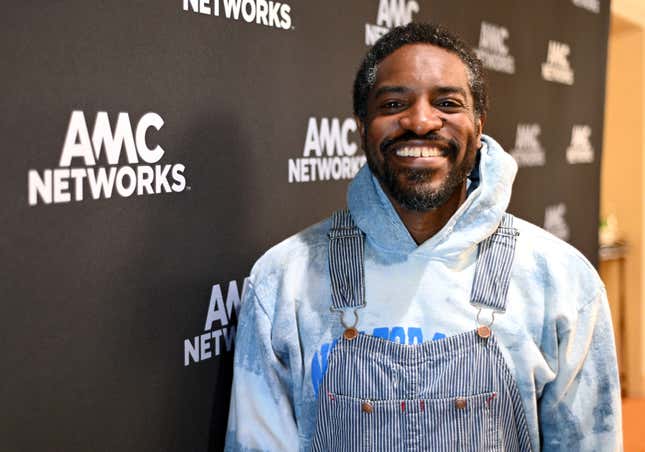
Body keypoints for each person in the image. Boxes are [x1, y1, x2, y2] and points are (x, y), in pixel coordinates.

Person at [225, 23, 622, 451]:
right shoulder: (284, 280)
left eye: (447, 103)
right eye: (394, 103)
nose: (419, 120)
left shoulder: (560, 281)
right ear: (362, 127)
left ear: (478, 123)